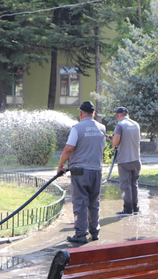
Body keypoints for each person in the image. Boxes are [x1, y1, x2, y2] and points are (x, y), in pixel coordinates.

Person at [57, 101, 106, 244]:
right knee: (94, 202)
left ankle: (80, 234)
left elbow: (68, 149)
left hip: (80, 172)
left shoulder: (77, 128)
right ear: (94, 114)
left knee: (80, 202)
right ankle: (94, 231)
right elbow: (101, 147)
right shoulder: (102, 128)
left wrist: (60, 165)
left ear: (80, 113)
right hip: (97, 171)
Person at [111, 107, 141, 216]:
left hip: (125, 160)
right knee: (134, 184)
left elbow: (116, 141)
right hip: (136, 160)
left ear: (118, 116)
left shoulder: (120, 125)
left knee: (125, 184)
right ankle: (135, 207)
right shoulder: (136, 124)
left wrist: (114, 143)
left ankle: (127, 209)